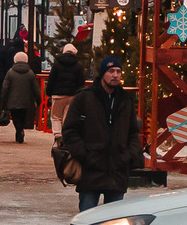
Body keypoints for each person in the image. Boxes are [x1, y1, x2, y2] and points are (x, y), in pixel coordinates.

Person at [59, 56, 142, 210]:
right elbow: (70, 130)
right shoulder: (84, 98)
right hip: (91, 171)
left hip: (117, 171)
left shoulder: (125, 100)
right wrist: (84, 155)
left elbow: (133, 133)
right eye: (111, 71)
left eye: (118, 71)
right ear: (103, 73)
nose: (115, 75)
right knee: (87, 221)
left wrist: (128, 156)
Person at [0, 50, 38, 145]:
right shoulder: (30, 73)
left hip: (13, 101)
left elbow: (5, 87)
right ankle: (20, 130)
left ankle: (19, 130)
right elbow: (35, 88)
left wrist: (3, 98)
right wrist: (38, 99)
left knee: (15, 117)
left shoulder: (10, 72)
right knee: (22, 116)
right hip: (26, 101)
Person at [45, 42, 86, 129]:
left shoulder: (57, 64)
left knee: (56, 117)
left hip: (58, 95)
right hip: (72, 95)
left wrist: (48, 93)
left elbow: (51, 80)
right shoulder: (78, 65)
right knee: (67, 117)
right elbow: (81, 81)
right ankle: (65, 136)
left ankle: (57, 135)